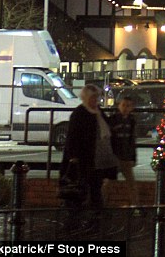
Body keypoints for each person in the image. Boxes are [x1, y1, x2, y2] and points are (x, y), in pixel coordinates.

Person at [59, 82, 116, 225]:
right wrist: (73, 156)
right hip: (84, 157)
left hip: (98, 157)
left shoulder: (98, 112)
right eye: (92, 98)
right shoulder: (79, 113)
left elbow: (108, 129)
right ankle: (77, 212)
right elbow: (72, 136)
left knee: (95, 184)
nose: (95, 101)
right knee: (82, 183)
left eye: (96, 98)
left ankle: (96, 212)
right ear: (85, 98)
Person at [108, 91, 139, 215]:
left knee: (131, 183)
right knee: (109, 182)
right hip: (115, 156)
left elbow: (132, 140)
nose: (126, 108)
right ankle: (102, 204)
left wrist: (133, 157)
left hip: (125, 156)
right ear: (119, 105)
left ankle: (135, 205)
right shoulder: (113, 120)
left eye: (128, 106)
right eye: (124, 105)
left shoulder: (131, 121)